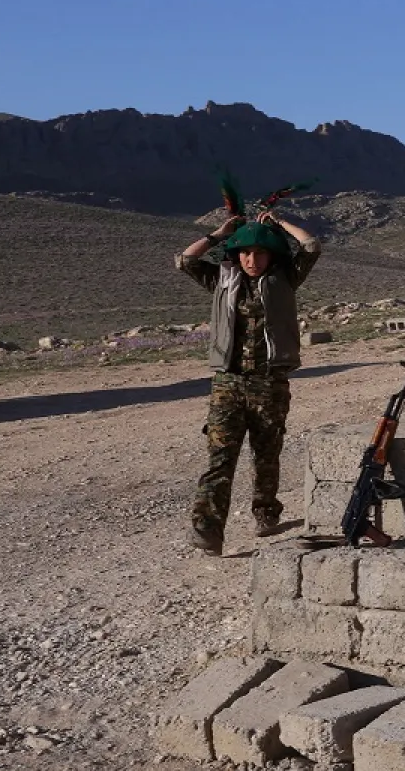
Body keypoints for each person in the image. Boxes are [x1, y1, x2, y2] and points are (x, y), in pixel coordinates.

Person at [176, 208, 321, 556]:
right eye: (244, 252)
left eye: (258, 252)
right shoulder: (221, 279)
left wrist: (280, 224)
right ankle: (207, 531)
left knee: (266, 454)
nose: (251, 259)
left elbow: (312, 246)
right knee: (220, 457)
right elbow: (185, 260)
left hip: (270, 382)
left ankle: (266, 512)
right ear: (235, 254)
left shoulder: (286, 277)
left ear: (271, 255)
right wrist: (221, 233)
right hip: (228, 383)